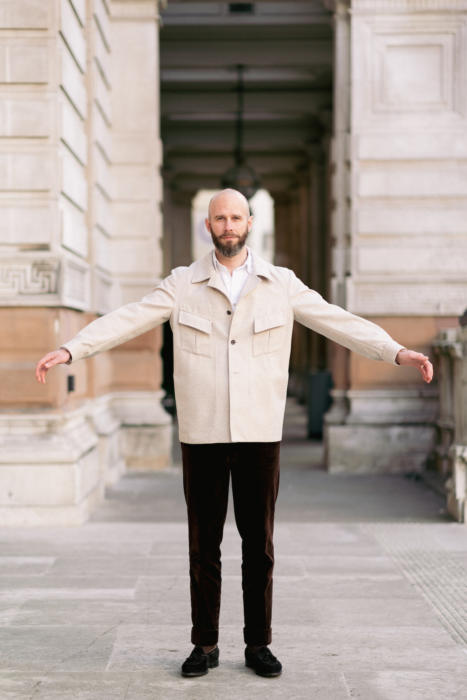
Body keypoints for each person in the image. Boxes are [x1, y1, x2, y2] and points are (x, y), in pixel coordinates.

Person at [36, 188, 433, 679]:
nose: (228, 225)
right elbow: (128, 318)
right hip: (202, 433)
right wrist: (72, 349)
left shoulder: (280, 284)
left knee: (258, 546)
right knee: (202, 547)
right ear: (209, 226)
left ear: (249, 223)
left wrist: (396, 351)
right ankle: (204, 644)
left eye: (236, 217)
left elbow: (339, 322)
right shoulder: (183, 283)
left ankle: (258, 644)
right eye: (220, 218)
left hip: (259, 434)